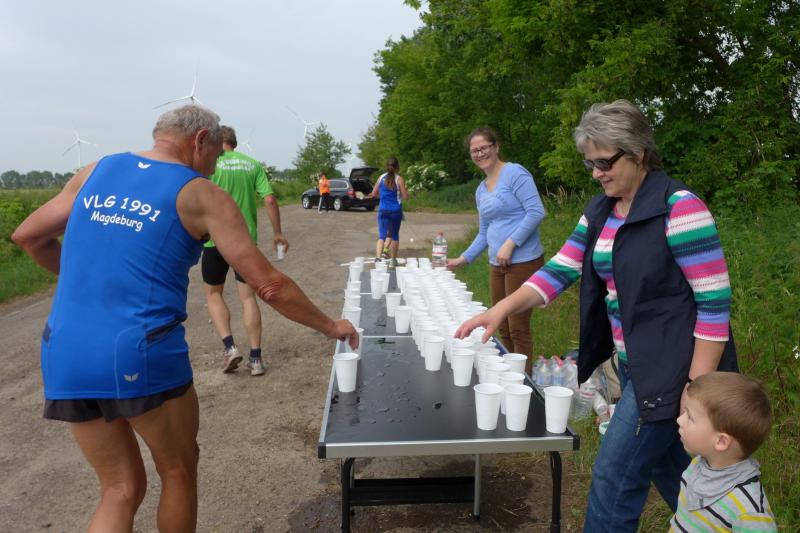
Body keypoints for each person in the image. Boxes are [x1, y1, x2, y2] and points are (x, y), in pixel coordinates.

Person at [11, 105, 356, 533]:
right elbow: (268, 285)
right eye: (214, 154)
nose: (214, 166)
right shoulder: (200, 194)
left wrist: (91, 281)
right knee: (177, 470)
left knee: (119, 489)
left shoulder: (96, 170)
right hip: (139, 350)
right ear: (200, 140)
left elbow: (28, 236)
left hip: (65, 348)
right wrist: (331, 326)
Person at [455, 100, 738, 532]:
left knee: (613, 480)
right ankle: (726, 524)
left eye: (604, 162)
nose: (596, 173)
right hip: (633, 366)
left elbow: (714, 306)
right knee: (677, 473)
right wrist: (500, 310)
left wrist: (696, 390)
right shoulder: (602, 209)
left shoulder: (680, 209)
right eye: (590, 163)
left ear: (638, 153)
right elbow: (561, 268)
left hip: (671, 370)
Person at [447, 127, 545, 370]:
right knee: (501, 325)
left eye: (484, 148)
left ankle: (524, 381)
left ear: (496, 147)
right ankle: (508, 373)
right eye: (474, 151)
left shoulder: (514, 173)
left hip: (523, 262)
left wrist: (510, 244)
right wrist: (463, 258)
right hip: (496, 265)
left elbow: (536, 212)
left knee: (518, 327)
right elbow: (484, 232)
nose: (480, 153)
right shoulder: (481, 190)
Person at [202, 125, 289, 376]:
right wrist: (278, 233)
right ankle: (256, 359)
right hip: (245, 242)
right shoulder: (252, 164)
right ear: (235, 142)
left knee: (214, 294)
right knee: (248, 298)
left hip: (214, 242)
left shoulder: (211, 163)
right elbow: (269, 199)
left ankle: (230, 348)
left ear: (217, 141)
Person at [670, 372, 776, 532]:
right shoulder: (697, 465)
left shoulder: (748, 512)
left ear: (720, 441)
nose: (679, 420)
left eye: (690, 417)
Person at [367, 156, 408, 264]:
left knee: (382, 236)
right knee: (394, 236)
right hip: (395, 212)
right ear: (397, 167)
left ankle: (378, 258)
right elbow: (405, 197)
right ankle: (393, 260)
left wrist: (376, 195)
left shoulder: (381, 177)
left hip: (383, 210)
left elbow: (373, 194)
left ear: (386, 166)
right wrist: (405, 189)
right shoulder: (399, 179)